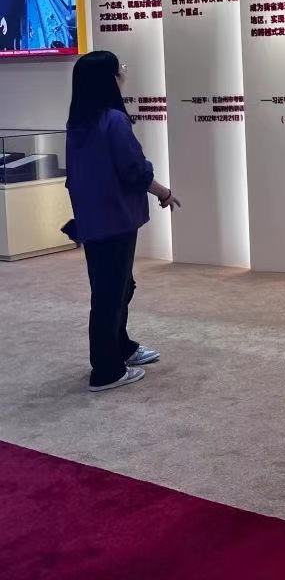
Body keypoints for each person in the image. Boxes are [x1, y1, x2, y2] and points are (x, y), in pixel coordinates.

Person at [65, 51, 179, 392]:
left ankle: (121, 346)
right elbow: (135, 170)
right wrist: (164, 192)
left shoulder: (79, 122)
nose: (124, 74)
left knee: (116, 286)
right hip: (114, 219)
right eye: (120, 69)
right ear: (108, 79)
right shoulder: (114, 121)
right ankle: (106, 369)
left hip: (94, 219)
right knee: (111, 293)